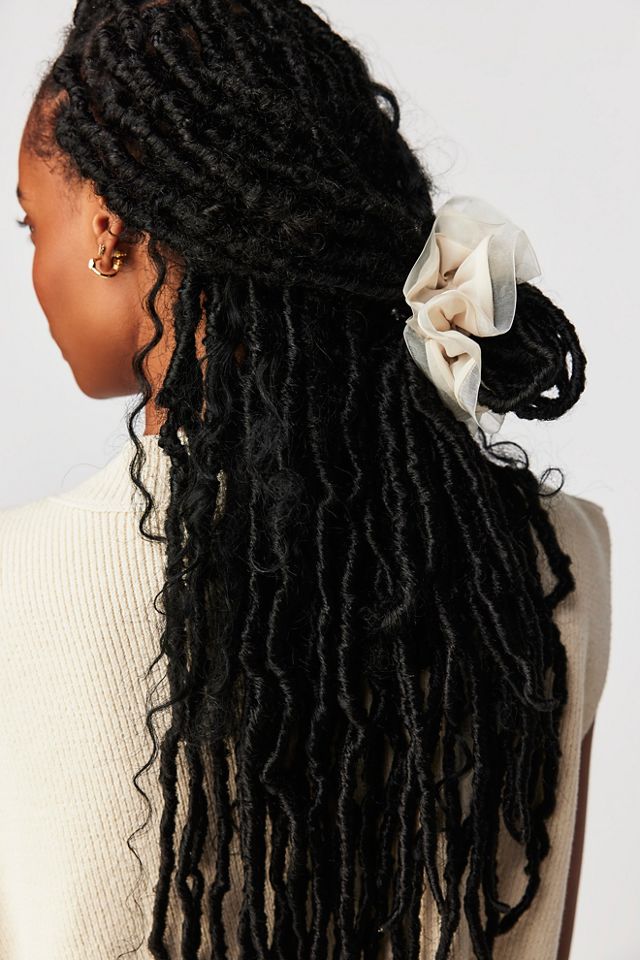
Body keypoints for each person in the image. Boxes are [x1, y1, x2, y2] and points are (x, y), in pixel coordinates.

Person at [0, 1, 612, 958]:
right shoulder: (559, 552)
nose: (33, 263)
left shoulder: (21, 579)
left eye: (32, 222)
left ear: (108, 230)